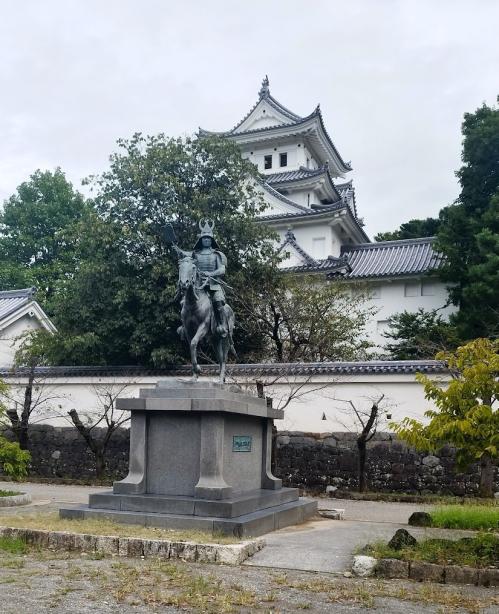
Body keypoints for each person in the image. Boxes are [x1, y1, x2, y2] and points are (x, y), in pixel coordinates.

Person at [172, 220, 228, 337]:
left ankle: (222, 324)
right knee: (184, 301)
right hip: (198, 285)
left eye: (208, 238)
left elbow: (222, 270)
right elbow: (184, 255)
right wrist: (175, 247)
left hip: (213, 284)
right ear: (201, 240)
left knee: (218, 301)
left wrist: (210, 273)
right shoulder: (195, 255)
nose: (206, 240)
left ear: (212, 240)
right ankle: (184, 325)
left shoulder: (217, 255)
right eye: (204, 238)